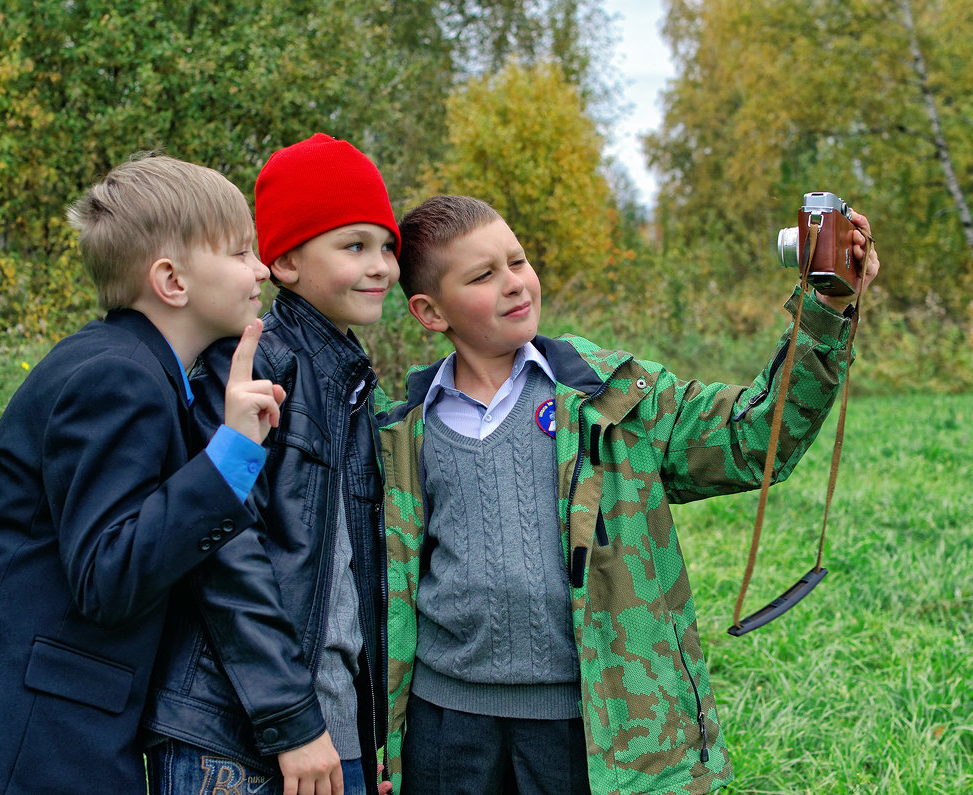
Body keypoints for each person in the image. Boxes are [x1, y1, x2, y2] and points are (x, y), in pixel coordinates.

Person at [377, 195, 880, 795]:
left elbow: (752, 438)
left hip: (589, 721)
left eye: (518, 261)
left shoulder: (615, 397)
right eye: (483, 276)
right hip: (446, 721)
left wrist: (827, 307)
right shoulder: (403, 431)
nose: (515, 284)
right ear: (431, 311)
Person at [0, 154, 285, 794]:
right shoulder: (119, 379)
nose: (262, 268)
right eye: (240, 252)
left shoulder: (132, 365)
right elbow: (107, 575)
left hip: (40, 723)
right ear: (171, 281)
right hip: (35, 736)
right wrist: (229, 458)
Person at [140, 133, 399, 795]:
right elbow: (224, 551)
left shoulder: (353, 387)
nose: (382, 267)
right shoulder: (254, 367)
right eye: (354, 245)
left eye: (387, 246)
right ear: (284, 260)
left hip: (334, 727)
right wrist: (290, 719)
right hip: (240, 735)